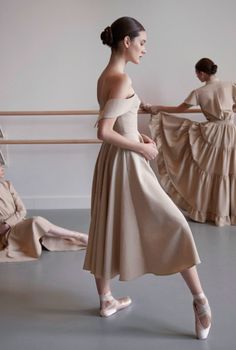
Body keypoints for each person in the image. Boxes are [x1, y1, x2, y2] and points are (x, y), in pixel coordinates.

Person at [83, 18, 211, 340]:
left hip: (114, 161)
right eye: (141, 43)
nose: (145, 49)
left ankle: (106, 300)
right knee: (174, 223)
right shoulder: (121, 79)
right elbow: (103, 131)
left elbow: (117, 121)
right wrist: (142, 150)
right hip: (126, 163)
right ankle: (199, 300)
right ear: (126, 42)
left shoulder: (105, 77)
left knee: (106, 225)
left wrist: (138, 134)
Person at [142, 57, 236, 227]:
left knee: (213, 171)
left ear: (201, 73)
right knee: (228, 170)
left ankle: (212, 212)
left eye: (197, 74)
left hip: (212, 133)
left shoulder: (199, 92)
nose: (197, 77)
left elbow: (179, 109)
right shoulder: (230, 85)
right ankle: (227, 214)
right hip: (231, 131)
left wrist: (157, 108)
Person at [0, 164, 88, 262]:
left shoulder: (7, 185)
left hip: (18, 223)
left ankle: (81, 239)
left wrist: (8, 223)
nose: (2, 168)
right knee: (36, 222)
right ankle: (79, 236)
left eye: (1, 166)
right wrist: (4, 227)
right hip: (6, 234)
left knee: (50, 236)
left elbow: (22, 210)